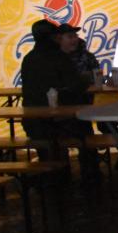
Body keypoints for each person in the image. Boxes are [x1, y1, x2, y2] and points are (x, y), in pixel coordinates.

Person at [21, 19, 99, 196]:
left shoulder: (28, 59)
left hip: (33, 123)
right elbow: (76, 86)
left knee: (49, 137)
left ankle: (55, 177)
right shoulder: (59, 58)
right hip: (59, 124)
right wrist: (84, 81)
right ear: (52, 38)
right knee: (84, 129)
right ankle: (90, 176)